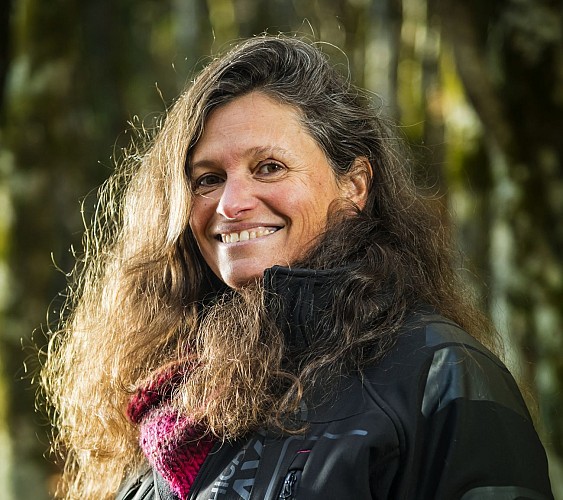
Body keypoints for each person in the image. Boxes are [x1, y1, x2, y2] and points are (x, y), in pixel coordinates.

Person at [42, 35, 554, 500]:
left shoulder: (438, 372)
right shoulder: (170, 408)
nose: (231, 203)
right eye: (207, 179)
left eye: (269, 167)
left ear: (353, 186)